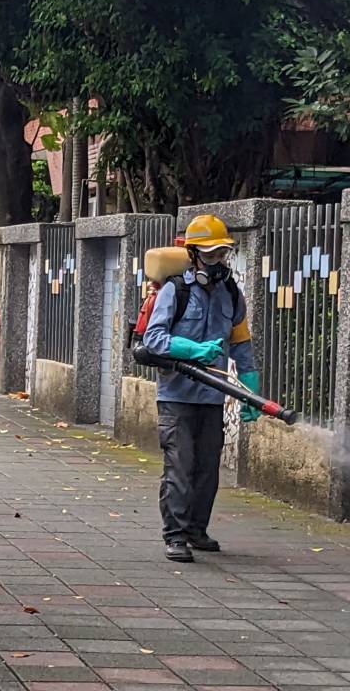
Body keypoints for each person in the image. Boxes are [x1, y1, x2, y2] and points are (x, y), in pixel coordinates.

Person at [142, 214, 258, 563]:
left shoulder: (232, 294)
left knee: (207, 468)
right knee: (180, 466)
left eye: (222, 253)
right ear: (193, 255)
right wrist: (192, 350)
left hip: (213, 396)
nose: (217, 261)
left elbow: (242, 344)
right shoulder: (173, 291)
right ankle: (175, 535)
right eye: (210, 254)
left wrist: (250, 387)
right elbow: (154, 339)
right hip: (176, 396)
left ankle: (196, 529)